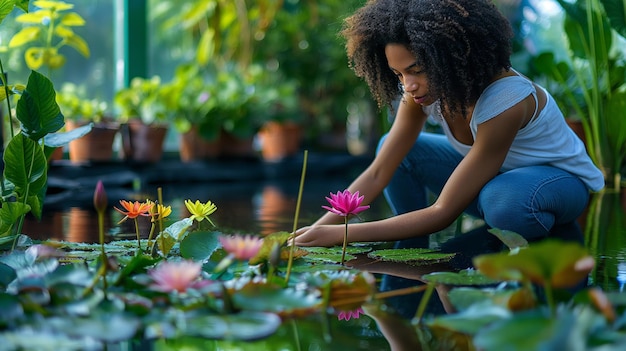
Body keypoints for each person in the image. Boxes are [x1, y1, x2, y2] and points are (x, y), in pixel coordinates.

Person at [294, 0, 604, 264]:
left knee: (504, 201)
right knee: (396, 147)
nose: (408, 85)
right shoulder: (420, 94)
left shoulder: (507, 99)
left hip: (556, 188)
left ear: (453, 55)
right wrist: (313, 232)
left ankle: (530, 231)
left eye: (416, 69)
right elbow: (377, 174)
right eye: (398, 73)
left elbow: (443, 212)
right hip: (490, 183)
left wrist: (338, 236)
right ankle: (410, 239)